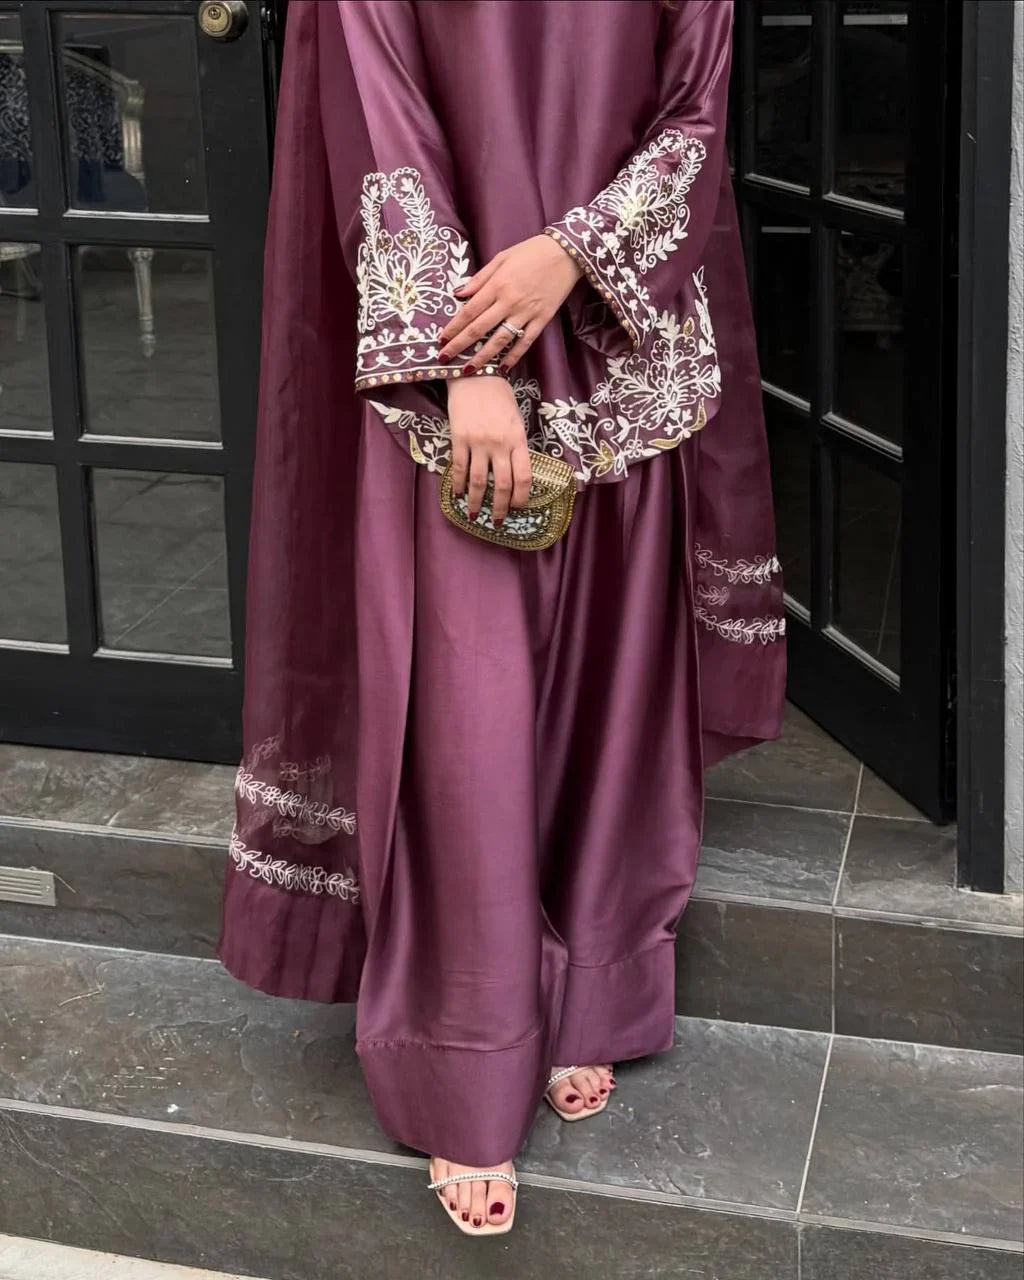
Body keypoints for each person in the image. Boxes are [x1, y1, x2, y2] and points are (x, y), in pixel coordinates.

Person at [218, 0, 785, 1237]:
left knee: (610, 688)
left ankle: (598, 980)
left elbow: (693, 109)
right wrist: (467, 360)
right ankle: (465, 1046)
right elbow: (383, 124)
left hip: (615, 322)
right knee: (462, 709)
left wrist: (572, 254)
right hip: (456, 358)